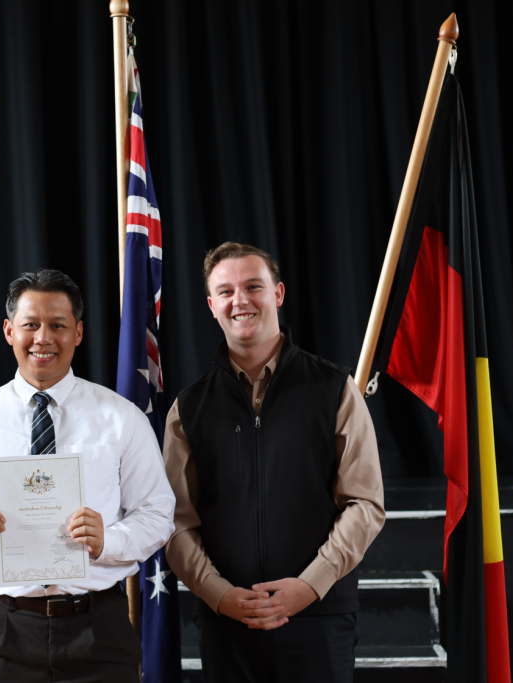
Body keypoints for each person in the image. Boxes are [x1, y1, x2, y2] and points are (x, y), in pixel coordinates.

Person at [0, 268, 175, 683]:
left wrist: (109, 540)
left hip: (99, 628)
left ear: (77, 333)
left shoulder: (121, 419)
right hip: (2, 631)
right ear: (9, 331)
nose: (43, 338)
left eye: (58, 326)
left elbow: (157, 513)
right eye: (30, 325)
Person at [163, 243, 385, 683]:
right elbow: (174, 522)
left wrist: (309, 586)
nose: (240, 300)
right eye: (225, 291)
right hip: (228, 622)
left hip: (318, 617)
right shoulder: (188, 408)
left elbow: (364, 504)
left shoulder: (335, 389)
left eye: (253, 286)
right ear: (211, 306)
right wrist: (221, 595)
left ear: (278, 294)